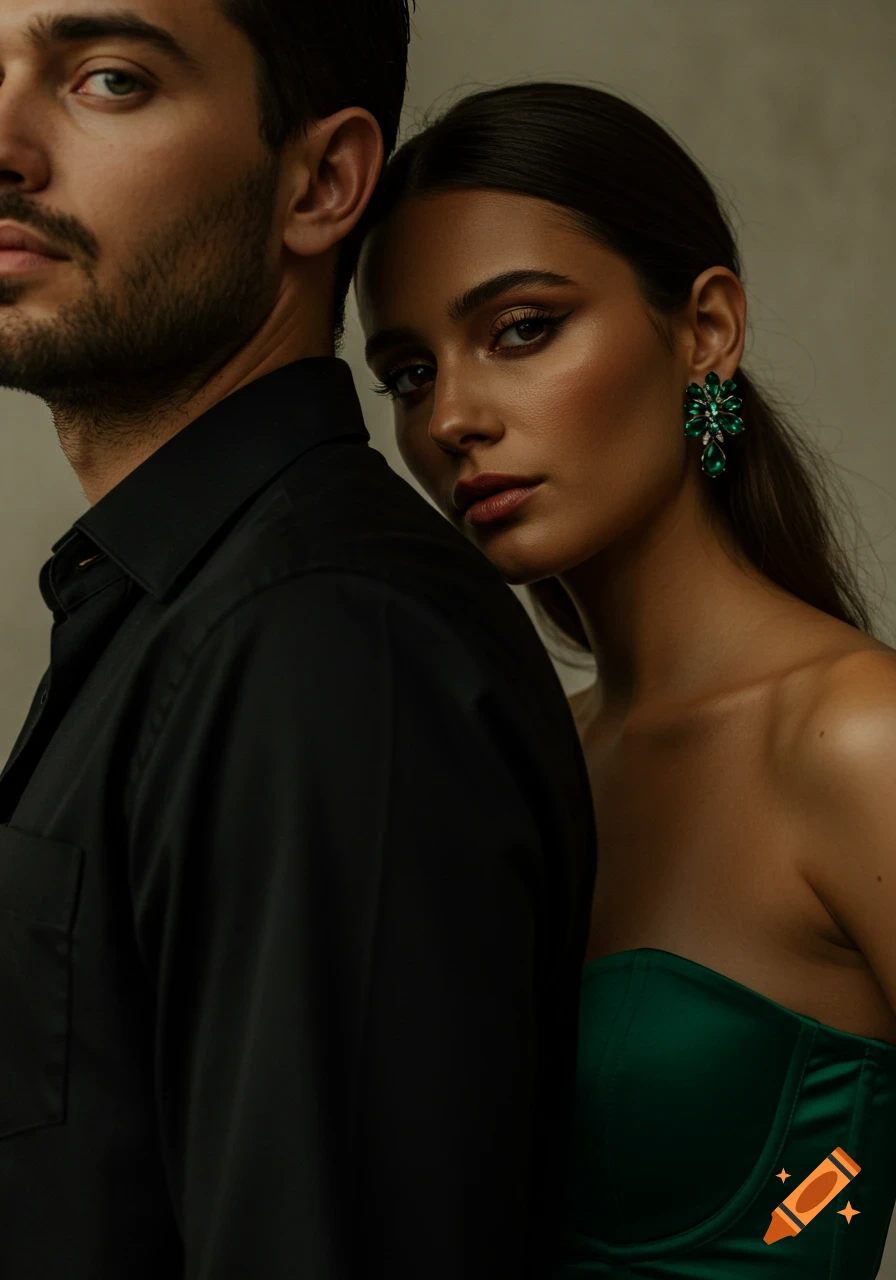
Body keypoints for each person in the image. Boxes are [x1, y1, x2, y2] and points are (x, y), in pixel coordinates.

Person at [0, 6, 597, 1275]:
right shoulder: (172, 607)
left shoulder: (327, 644)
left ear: (320, 182)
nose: (5, 143)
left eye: (106, 80)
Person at [355, 81, 896, 1278]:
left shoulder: (858, 738)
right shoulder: (532, 758)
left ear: (703, 328)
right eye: (404, 372)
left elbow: (828, 1195)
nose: (449, 416)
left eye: (521, 328)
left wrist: (818, 1210)